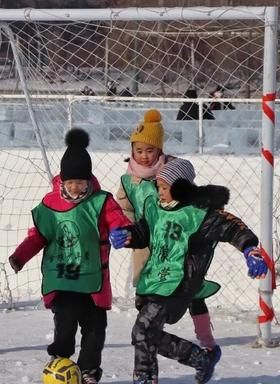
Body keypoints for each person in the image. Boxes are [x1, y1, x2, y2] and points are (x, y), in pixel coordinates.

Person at [109, 158, 268, 384]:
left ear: (181, 188)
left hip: (180, 283)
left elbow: (234, 228)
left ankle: (144, 377)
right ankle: (197, 359)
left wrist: (250, 250)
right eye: (158, 187)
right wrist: (127, 236)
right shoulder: (156, 208)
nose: (160, 192)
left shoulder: (199, 215)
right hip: (155, 278)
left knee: (143, 332)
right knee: (147, 334)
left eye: (165, 188)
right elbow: (144, 233)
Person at [8, 128, 131, 384]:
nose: (75, 187)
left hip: (93, 279)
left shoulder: (101, 201)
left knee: (95, 329)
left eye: (81, 181)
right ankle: (60, 361)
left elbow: (116, 220)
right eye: (70, 182)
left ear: (89, 180)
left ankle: (88, 370)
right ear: (62, 180)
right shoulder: (50, 204)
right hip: (63, 276)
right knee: (64, 323)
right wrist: (21, 256)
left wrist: (122, 232)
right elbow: (38, 235)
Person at [116, 109, 220, 357]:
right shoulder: (128, 179)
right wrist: (125, 229)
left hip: (176, 244)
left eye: (149, 151)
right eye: (138, 151)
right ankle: (149, 339)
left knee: (193, 290)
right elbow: (124, 208)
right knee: (147, 292)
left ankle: (206, 341)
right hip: (146, 244)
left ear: (159, 150)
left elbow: (191, 206)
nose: (143, 156)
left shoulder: (175, 172)